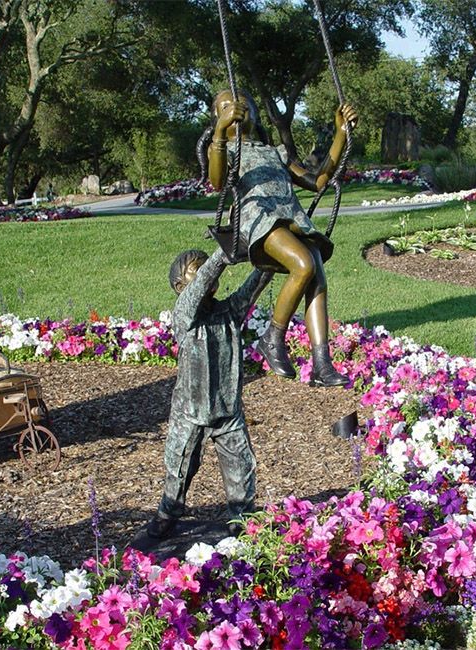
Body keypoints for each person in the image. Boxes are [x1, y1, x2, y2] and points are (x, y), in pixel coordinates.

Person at [201, 90, 357, 386]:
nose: (236, 108)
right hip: (256, 219)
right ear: (217, 117)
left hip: (290, 220)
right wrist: (221, 132)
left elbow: (318, 180)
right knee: (304, 264)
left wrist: (340, 134)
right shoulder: (223, 149)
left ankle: (322, 364)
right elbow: (218, 181)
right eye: (225, 107)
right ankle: (272, 338)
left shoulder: (274, 152)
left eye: (243, 105)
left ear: (257, 115)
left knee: (317, 277)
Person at [147, 248, 272, 538]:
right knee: (179, 467)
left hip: (228, 412)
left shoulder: (229, 312)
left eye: (206, 265)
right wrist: (221, 256)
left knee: (241, 467)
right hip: (191, 413)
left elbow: (254, 285)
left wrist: (269, 260)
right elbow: (200, 285)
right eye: (197, 269)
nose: (206, 271)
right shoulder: (184, 314)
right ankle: (168, 514)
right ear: (180, 287)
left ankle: (241, 518)